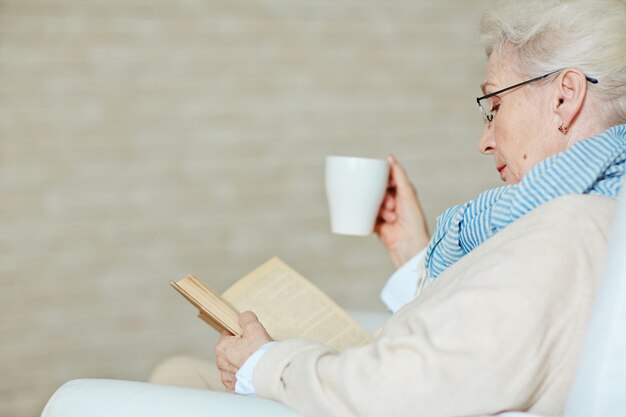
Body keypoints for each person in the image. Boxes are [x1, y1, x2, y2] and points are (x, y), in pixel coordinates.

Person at [158, 0, 626, 415]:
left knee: (163, 381)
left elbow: (404, 391)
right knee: (179, 370)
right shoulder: (591, 215)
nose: (485, 141)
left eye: (494, 106)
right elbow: (482, 344)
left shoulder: (571, 229)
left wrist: (262, 364)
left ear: (564, 97)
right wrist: (413, 256)